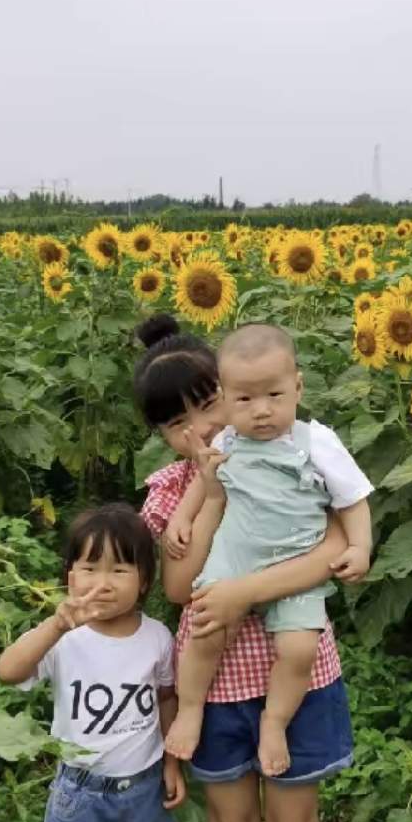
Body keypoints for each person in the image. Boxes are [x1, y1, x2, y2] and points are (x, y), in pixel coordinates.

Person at [134, 315, 365, 822]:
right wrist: (208, 495)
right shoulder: (168, 493)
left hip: (296, 670)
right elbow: (180, 588)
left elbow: (336, 546)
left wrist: (243, 593)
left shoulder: (293, 453)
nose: (201, 429)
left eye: (208, 405)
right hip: (218, 680)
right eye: (178, 424)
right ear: (161, 435)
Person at [162, 324, 373, 777]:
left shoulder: (317, 443)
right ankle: (192, 707)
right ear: (225, 397)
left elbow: (353, 499)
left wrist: (360, 546)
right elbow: (204, 484)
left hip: (297, 558)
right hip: (234, 555)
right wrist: (181, 518)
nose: (261, 411)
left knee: (299, 650)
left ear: (297, 386)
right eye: (244, 400)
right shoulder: (225, 443)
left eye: (274, 396)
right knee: (206, 628)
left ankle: (274, 722)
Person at [0, 503, 185, 822]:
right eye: (89, 568)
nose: (103, 582)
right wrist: (56, 624)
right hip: (82, 792)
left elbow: (165, 699)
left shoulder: (157, 636)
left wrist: (172, 763)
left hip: (140, 785)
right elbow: (8, 670)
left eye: (120, 568)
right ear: (70, 576)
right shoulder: (64, 638)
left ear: (144, 580)